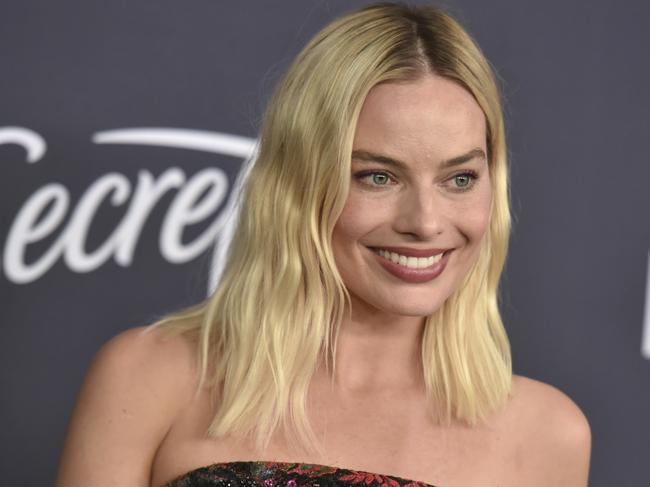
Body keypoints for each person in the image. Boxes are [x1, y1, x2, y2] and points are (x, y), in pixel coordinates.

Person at [55, 3, 591, 486]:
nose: (426, 223)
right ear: (298, 185)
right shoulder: (150, 378)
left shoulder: (548, 435)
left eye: (459, 179)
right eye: (378, 177)